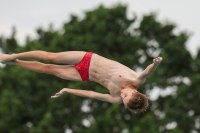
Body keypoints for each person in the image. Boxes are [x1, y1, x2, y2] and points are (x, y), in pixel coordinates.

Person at [0, 51, 162, 113]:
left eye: (123, 99)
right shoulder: (135, 80)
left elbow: (91, 94)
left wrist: (67, 90)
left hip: (84, 75)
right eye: (125, 95)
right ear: (134, 91)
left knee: (48, 69)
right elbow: (148, 71)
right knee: (52, 57)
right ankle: (13, 56)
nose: (122, 95)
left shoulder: (115, 98)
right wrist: (155, 63)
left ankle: (15, 62)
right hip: (88, 59)